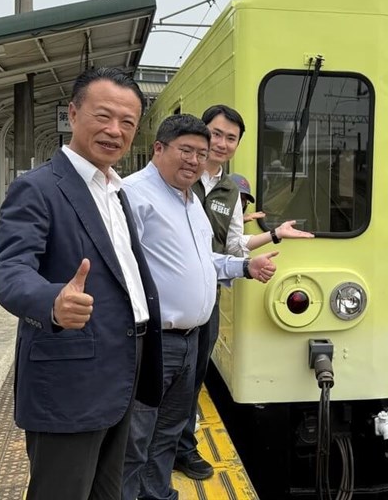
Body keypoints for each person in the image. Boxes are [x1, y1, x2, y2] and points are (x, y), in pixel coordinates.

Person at [0, 67, 163, 500]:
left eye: (127, 122)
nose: (114, 130)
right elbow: (7, 271)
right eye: (103, 116)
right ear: (72, 113)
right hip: (70, 379)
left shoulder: (115, 191)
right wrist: (52, 301)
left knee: (107, 491)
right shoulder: (39, 188)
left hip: (122, 369)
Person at [121, 114, 278, 500]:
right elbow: (118, 268)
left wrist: (244, 265)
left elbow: (203, 258)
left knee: (170, 428)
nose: (195, 160)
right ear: (159, 149)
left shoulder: (190, 199)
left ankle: (158, 494)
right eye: (186, 150)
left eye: (201, 153)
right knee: (136, 435)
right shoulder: (132, 195)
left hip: (191, 339)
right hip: (153, 339)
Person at [174, 105, 313, 480]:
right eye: (215, 134)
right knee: (162, 375)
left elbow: (235, 245)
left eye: (229, 138)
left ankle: (182, 448)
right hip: (166, 296)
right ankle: (154, 450)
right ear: (201, 133)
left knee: (194, 375)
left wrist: (275, 234)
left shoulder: (230, 189)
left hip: (208, 294)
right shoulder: (175, 177)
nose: (220, 143)